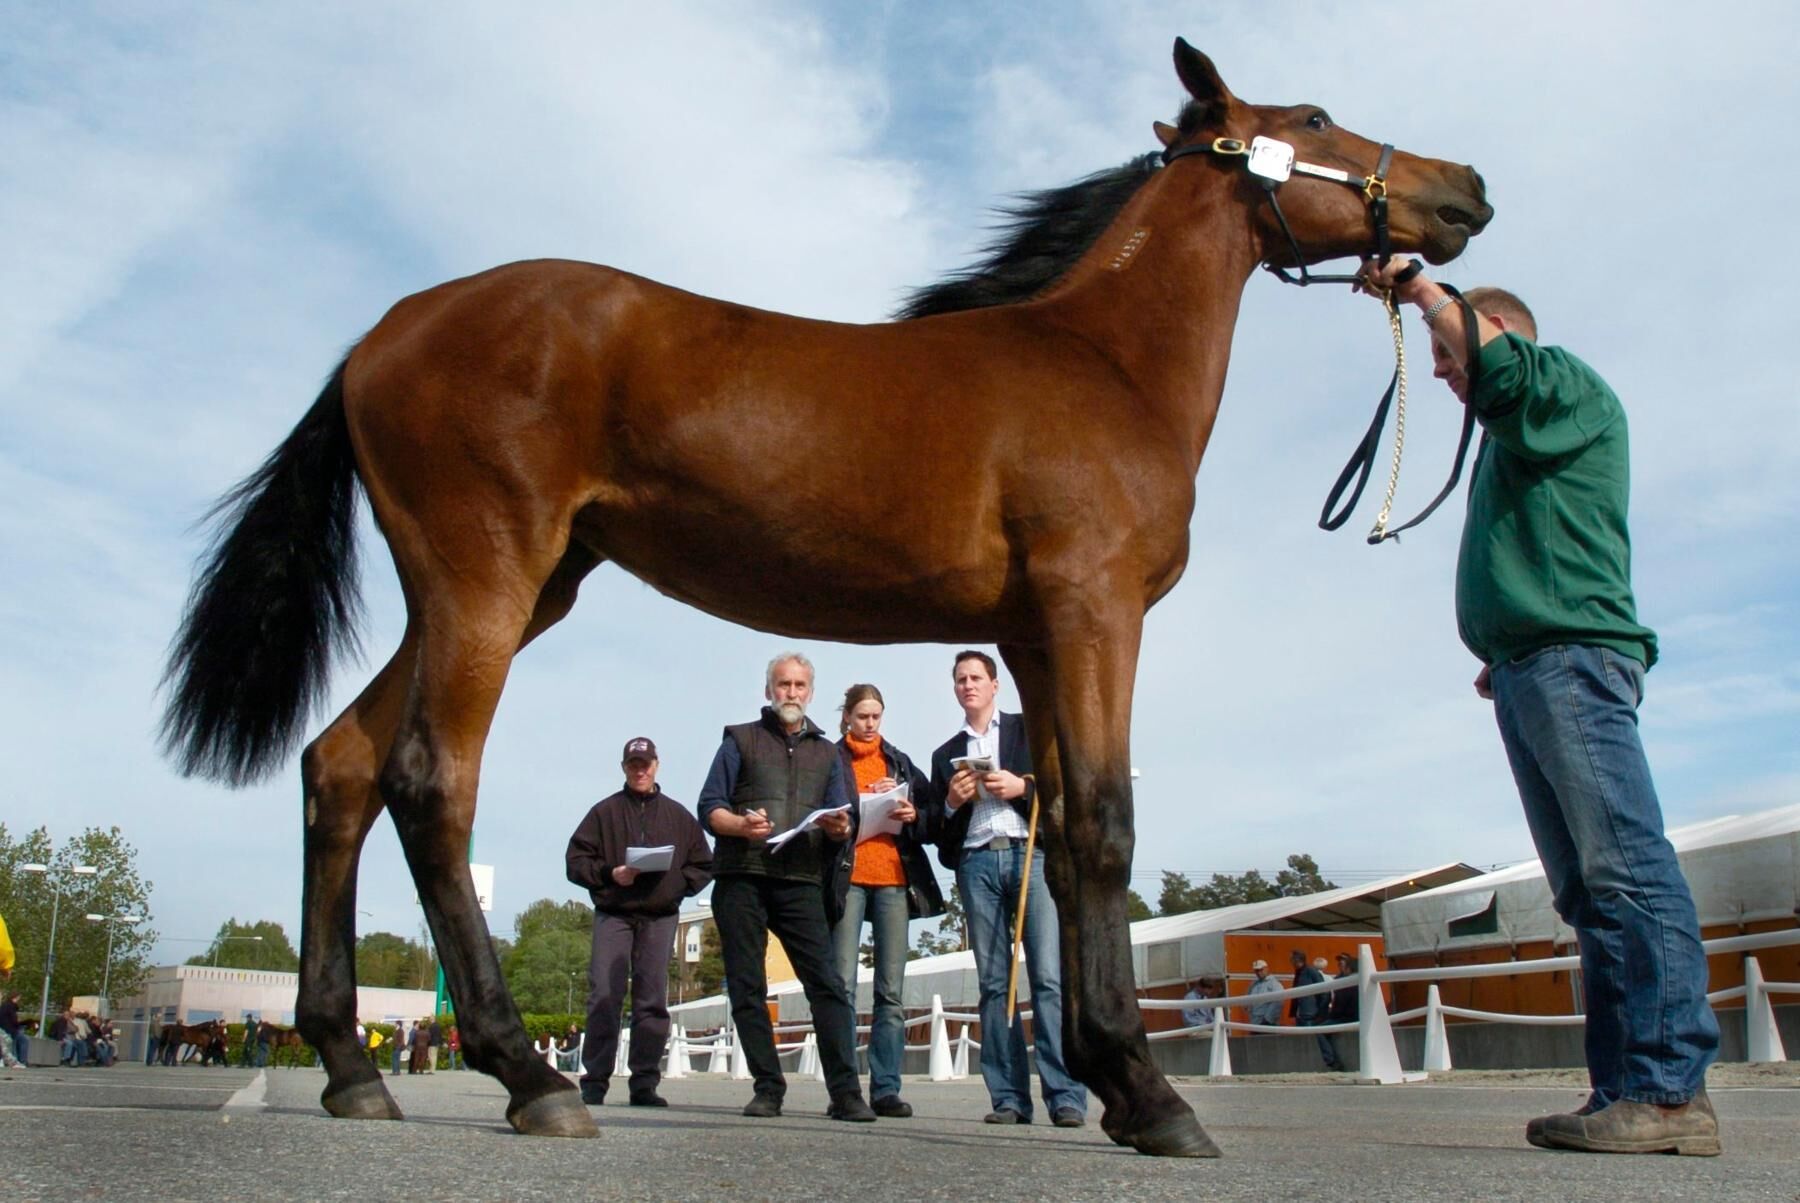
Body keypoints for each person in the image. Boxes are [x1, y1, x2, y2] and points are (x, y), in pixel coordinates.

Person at [1358, 259, 1721, 1156]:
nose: (1441, 375)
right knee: (1591, 894)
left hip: (1567, 662)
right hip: (1535, 664)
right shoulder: (1526, 425)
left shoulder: (1557, 379)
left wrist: (1419, 289)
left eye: (1448, 356)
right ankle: (1631, 1091)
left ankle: (1671, 1090)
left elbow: (1501, 370)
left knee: (1627, 871)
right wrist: (1508, 644)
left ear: (1494, 333)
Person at [696, 651, 874, 1122]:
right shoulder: (740, 740)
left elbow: (845, 815)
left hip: (800, 879)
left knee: (827, 985)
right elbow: (709, 806)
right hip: (742, 875)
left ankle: (846, 1093)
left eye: (799, 686)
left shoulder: (828, 752)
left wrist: (839, 827)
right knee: (748, 986)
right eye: (783, 685)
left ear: (810, 693)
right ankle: (768, 1088)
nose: (791, 693)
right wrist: (738, 824)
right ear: (768, 690)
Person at [925, 650, 1086, 1129]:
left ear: (995, 685)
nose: (968, 685)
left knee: (1049, 980)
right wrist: (952, 803)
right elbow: (937, 831)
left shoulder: (1028, 733)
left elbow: (1061, 790)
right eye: (960, 679)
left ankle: (1066, 1096)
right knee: (995, 985)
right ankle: (1009, 1098)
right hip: (976, 863)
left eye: (976, 677)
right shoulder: (944, 754)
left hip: (1029, 853)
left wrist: (1021, 788)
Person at [566, 734, 714, 1108]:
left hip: (660, 917)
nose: (640, 771)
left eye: (645, 765)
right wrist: (607, 873)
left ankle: (644, 1083)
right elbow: (574, 862)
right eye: (633, 765)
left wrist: (675, 886)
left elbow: (704, 863)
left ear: (656, 767)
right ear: (624, 769)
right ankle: (594, 1082)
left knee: (651, 1001)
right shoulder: (604, 813)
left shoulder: (678, 816)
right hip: (614, 914)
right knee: (604, 994)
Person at [826, 683, 945, 1119]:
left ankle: (886, 1089)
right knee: (840, 984)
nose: (870, 723)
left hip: (894, 879)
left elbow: (934, 816)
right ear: (847, 718)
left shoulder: (898, 760)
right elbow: (818, 812)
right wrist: (851, 811)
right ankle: (844, 1088)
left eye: (876, 716)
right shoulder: (830, 758)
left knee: (890, 991)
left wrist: (912, 812)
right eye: (862, 716)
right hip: (849, 878)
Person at [1244, 960, 1282, 1027]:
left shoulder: (1274, 984)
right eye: (1256, 970)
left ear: (1266, 969)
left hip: (1268, 1024)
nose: (1258, 972)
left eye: (1261, 970)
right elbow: (1247, 1002)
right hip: (1254, 1023)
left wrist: (1267, 1019)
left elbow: (1278, 1002)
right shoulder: (1253, 985)